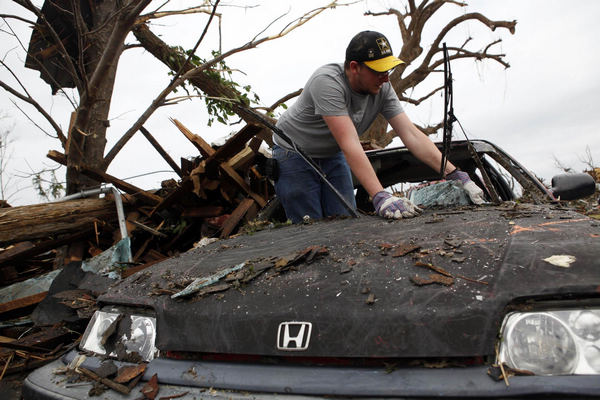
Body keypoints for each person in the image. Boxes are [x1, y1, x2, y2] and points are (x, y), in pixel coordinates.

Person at [272, 30, 485, 223]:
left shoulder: (383, 87)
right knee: (310, 224)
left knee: (345, 218)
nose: (385, 77)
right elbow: (349, 143)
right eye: (378, 71)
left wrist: (454, 173)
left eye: (388, 70)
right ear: (354, 67)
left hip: (330, 153)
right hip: (294, 153)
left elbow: (411, 134)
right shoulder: (327, 82)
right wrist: (380, 195)